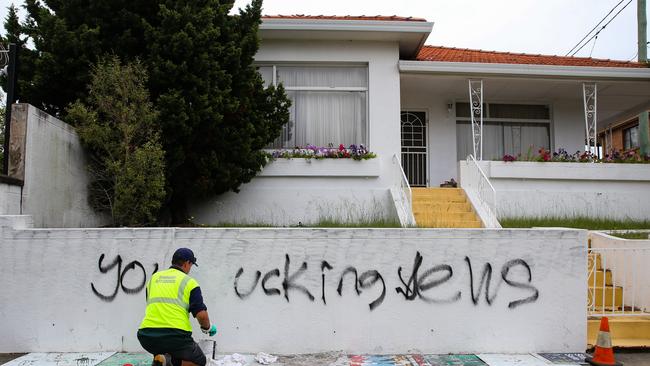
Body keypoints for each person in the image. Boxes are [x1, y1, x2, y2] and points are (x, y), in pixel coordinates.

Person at [137, 248, 217, 366]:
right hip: (175, 336)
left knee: (164, 347)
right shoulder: (189, 282)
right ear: (186, 263)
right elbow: (201, 315)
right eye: (191, 265)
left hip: (146, 336)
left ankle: (161, 358)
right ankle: (169, 361)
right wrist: (207, 328)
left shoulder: (153, 279)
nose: (190, 269)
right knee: (200, 361)